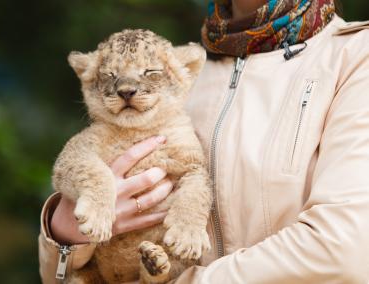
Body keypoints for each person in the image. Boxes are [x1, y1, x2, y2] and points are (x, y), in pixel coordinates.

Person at [39, 0, 369, 283]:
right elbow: (56, 274)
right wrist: (63, 234)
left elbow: (343, 250)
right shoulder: (180, 72)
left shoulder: (355, 57)